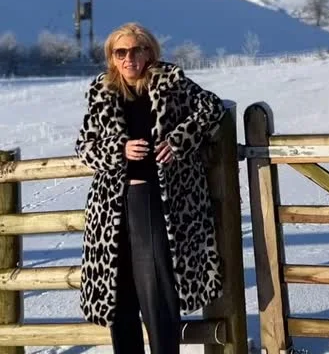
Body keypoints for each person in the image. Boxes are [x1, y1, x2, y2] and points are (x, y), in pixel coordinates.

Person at [75, 22, 225, 354]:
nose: (129, 59)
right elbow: (84, 146)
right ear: (112, 58)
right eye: (121, 52)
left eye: (136, 50)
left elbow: (212, 109)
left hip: (160, 200)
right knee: (120, 293)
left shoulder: (171, 83)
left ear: (149, 52)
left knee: (157, 290)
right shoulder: (101, 92)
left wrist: (178, 140)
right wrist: (118, 150)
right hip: (112, 206)